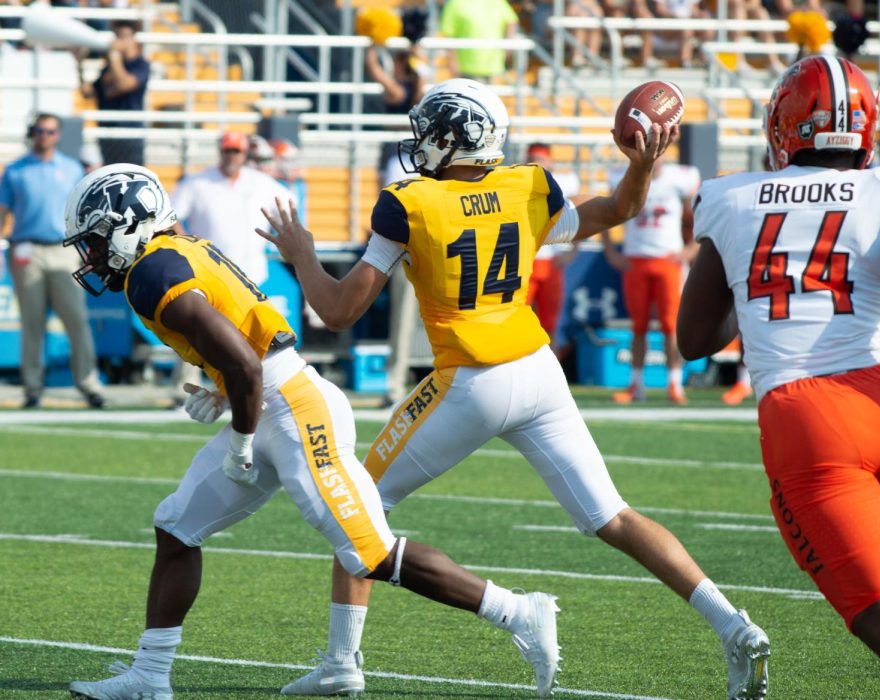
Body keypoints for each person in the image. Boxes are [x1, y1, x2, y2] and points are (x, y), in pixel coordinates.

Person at [258, 78, 770, 700]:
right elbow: (618, 210)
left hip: (469, 381)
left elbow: (338, 311)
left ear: (455, 137)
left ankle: (345, 661)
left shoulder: (409, 202)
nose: (419, 143)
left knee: (358, 505)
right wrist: (643, 166)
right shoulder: (528, 185)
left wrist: (301, 254)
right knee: (612, 515)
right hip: (538, 372)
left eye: (430, 132)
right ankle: (733, 624)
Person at [63, 164, 561, 700]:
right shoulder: (176, 253)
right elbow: (245, 344)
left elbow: (249, 365)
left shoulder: (150, 273)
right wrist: (225, 388)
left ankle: (518, 611)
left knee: (369, 554)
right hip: (273, 399)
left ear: (127, 224)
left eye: (93, 239)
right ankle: (150, 675)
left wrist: (240, 438)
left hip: (294, 410)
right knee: (177, 527)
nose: (89, 256)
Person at [677, 55, 880, 680]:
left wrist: (754, 286)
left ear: (783, 126)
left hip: (810, 418)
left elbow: (695, 339)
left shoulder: (731, 197)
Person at [0, 113, 105, 409]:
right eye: (39, 130)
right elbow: (3, 211)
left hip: (64, 249)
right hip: (27, 250)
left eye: (49, 131)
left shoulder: (71, 168)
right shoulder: (16, 170)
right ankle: (32, 388)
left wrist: (93, 247)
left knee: (76, 320)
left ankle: (89, 384)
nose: (44, 135)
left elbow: (86, 211)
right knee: (32, 323)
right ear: (32, 133)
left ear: (57, 135)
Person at [600, 148, 700, 405]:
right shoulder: (626, 178)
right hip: (636, 260)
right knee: (638, 326)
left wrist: (691, 248)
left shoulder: (679, 180)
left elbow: (695, 218)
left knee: (670, 326)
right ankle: (636, 385)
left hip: (668, 260)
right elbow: (607, 213)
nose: (656, 159)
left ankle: (675, 384)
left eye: (660, 154)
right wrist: (610, 251)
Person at [171, 131, 293, 288]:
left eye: (236, 151)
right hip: (210, 273)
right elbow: (171, 215)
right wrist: (188, 247)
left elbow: (289, 206)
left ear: (244, 154)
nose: (232, 156)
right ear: (220, 152)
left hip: (252, 275)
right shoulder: (197, 182)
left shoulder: (260, 182)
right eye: (227, 151)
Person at [524, 143, 581, 346]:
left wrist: (573, 250)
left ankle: (551, 373)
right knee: (519, 321)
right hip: (525, 261)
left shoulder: (564, 183)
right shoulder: (519, 184)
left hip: (550, 261)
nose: (535, 164)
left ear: (549, 162)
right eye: (531, 158)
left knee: (549, 324)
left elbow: (579, 213)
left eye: (539, 159)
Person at [78, 20, 150, 166]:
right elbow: (88, 93)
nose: (118, 40)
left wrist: (114, 57)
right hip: (107, 134)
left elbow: (123, 84)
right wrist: (78, 65)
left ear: (133, 39)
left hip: (129, 134)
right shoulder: (108, 68)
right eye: (117, 36)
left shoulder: (140, 65)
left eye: (123, 36)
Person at [365, 44, 426, 188]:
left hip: (394, 147)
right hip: (414, 147)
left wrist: (372, 44)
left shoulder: (397, 91)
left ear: (398, 64)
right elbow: (423, 71)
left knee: (386, 197)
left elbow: (374, 69)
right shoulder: (419, 89)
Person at [440, 0, 519, 82]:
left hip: (494, 69)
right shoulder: (455, 3)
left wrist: (507, 50)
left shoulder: (498, 2)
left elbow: (511, 21)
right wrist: (453, 63)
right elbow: (449, 35)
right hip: (467, 70)